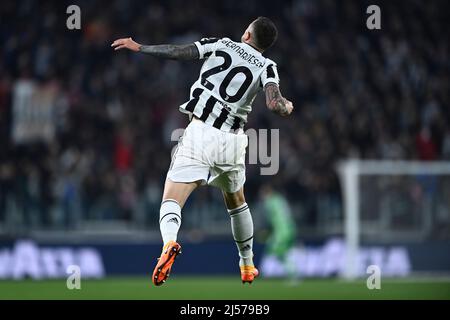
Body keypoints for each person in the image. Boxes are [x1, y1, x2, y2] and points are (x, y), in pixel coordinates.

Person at [111, 16, 293, 286]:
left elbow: (178, 52)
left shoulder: (221, 44)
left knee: (171, 198)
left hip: (201, 131)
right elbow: (273, 101)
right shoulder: (268, 66)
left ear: (246, 35)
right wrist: (286, 106)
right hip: (233, 140)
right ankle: (247, 264)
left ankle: (169, 243)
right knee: (237, 202)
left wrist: (141, 47)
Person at [260, 184, 298, 281]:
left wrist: (265, 230)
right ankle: (292, 272)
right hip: (290, 228)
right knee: (278, 251)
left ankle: (293, 274)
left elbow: (270, 219)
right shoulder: (280, 199)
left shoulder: (270, 202)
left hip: (282, 231)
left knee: (276, 250)